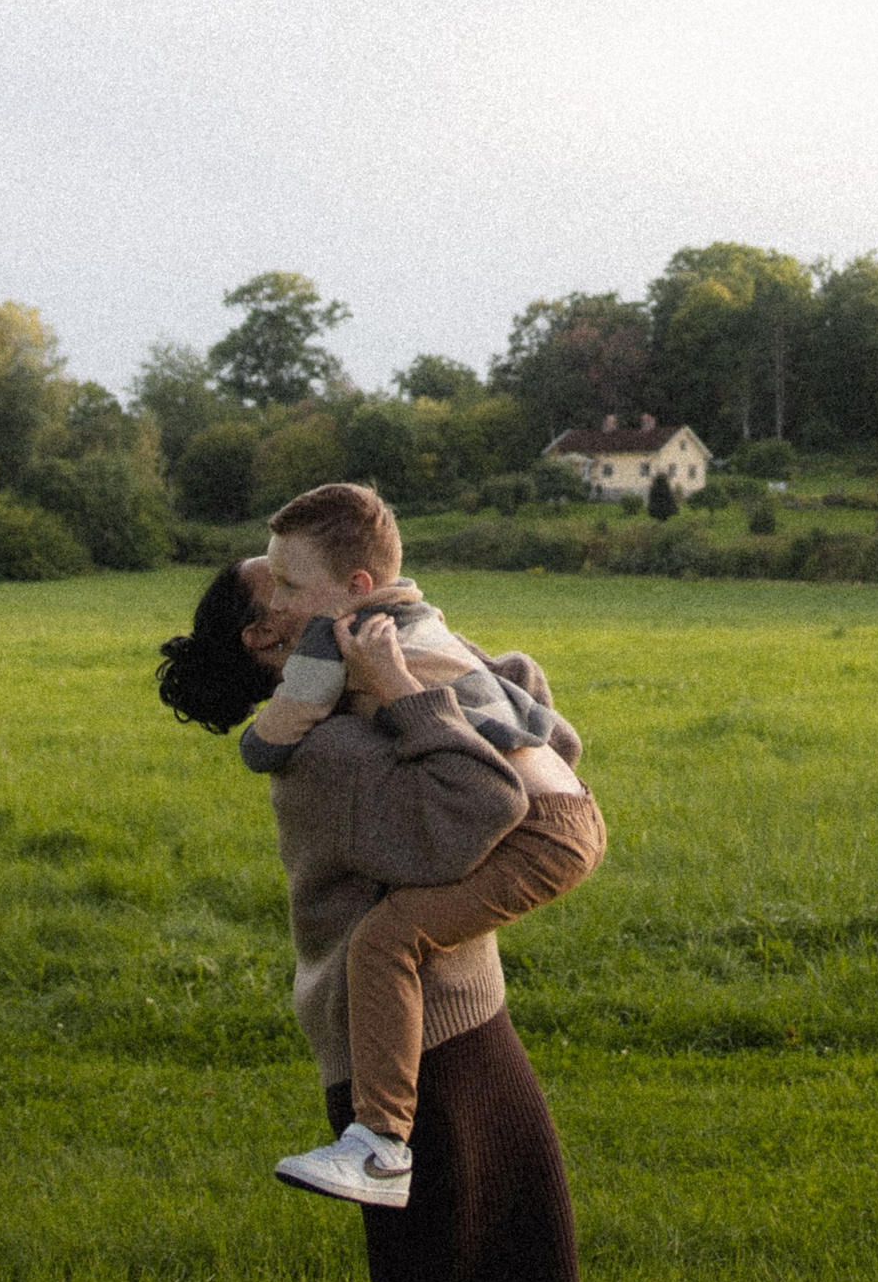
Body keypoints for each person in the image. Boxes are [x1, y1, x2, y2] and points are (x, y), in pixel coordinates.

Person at [155, 517, 589, 1282]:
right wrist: (414, 696)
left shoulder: (368, 709)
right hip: (398, 1062)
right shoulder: (332, 753)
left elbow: (532, 743)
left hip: (472, 1028)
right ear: (270, 634)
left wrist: (447, 683)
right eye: (302, 593)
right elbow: (482, 810)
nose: (360, 605)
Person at [240, 480, 605, 1211]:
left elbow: (268, 738)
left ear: (356, 586)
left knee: (384, 941)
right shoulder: (425, 620)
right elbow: (533, 703)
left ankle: (380, 1146)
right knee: (394, 938)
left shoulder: (339, 641)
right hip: (566, 806)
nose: (277, 602)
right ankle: (382, 1142)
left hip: (541, 831)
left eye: (289, 584)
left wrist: (383, 697)